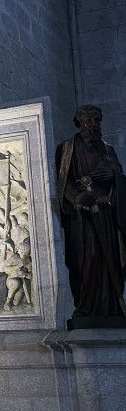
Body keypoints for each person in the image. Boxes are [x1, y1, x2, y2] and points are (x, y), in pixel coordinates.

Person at [56, 105, 126, 323]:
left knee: (110, 261)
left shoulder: (108, 149)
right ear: (79, 123)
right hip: (83, 217)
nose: (94, 125)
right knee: (87, 259)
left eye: (97, 120)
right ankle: (85, 308)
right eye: (89, 120)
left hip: (106, 213)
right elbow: (62, 182)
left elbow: (121, 179)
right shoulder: (66, 148)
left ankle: (113, 308)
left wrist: (113, 175)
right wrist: (76, 196)